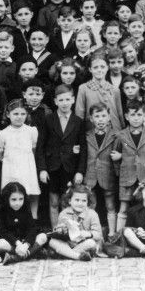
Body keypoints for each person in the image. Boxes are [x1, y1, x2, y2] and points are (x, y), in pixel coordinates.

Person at [37, 89, 86, 227]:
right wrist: (42, 169)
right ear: (55, 101)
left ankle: (68, 231)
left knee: (67, 201)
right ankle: (55, 231)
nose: (64, 103)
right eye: (61, 100)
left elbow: (83, 148)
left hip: (70, 167)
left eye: (67, 99)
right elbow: (41, 146)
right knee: (53, 201)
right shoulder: (48, 119)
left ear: (73, 100)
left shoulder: (78, 121)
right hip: (52, 166)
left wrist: (80, 171)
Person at [112, 105, 145, 233]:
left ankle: (143, 235)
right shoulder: (121, 135)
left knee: (144, 207)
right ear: (126, 116)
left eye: (139, 115)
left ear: (144, 116)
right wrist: (119, 173)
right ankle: (119, 236)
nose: (136, 118)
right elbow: (115, 156)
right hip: (127, 176)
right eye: (132, 115)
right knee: (124, 207)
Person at [0, 105, 41, 218]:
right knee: (12, 195)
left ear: (27, 115)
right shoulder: (2, 133)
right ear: (8, 114)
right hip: (10, 169)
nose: (19, 117)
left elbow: (34, 150)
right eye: (15, 114)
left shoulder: (31, 131)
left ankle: (32, 220)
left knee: (31, 193)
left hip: (27, 168)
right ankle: (11, 222)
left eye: (22, 114)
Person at [82, 104, 119, 238]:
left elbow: (121, 151)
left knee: (110, 205)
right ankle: (90, 233)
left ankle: (112, 233)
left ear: (109, 117)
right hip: (90, 175)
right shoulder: (86, 135)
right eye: (97, 116)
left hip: (108, 174)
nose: (100, 119)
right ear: (91, 119)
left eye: (103, 116)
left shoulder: (116, 135)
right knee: (90, 205)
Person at [0, 181, 48, 265]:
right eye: (13, 199)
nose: (17, 203)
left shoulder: (25, 208)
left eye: (21, 199)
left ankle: (15, 257)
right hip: (11, 242)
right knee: (0, 245)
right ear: (6, 198)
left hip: (25, 242)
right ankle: (32, 253)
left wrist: (26, 244)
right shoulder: (1, 210)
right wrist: (17, 243)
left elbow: (32, 228)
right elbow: (2, 231)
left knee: (43, 237)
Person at [48, 184, 103, 261]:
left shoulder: (92, 214)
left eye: (84, 201)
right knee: (52, 242)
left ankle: (66, 254)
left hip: (85, 243)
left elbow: (99, 235)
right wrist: (61, 230)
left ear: (87, 202)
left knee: (91, 243)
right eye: (77, 200)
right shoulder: (64, 213)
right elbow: (59, 233)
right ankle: (77, 256)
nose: (80, 203)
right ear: (70, 201)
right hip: (69, 244)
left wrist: (88, 234)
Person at [75, 52, 124, 131]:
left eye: (102, 67)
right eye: (95, 67)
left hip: (114, 131)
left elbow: (120, 114)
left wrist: (122, 132)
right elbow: (79, 114)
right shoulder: (84, 88)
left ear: (107, 68)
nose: (99, 70)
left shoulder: (115, 90)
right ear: (90, 69)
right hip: (92, 131)